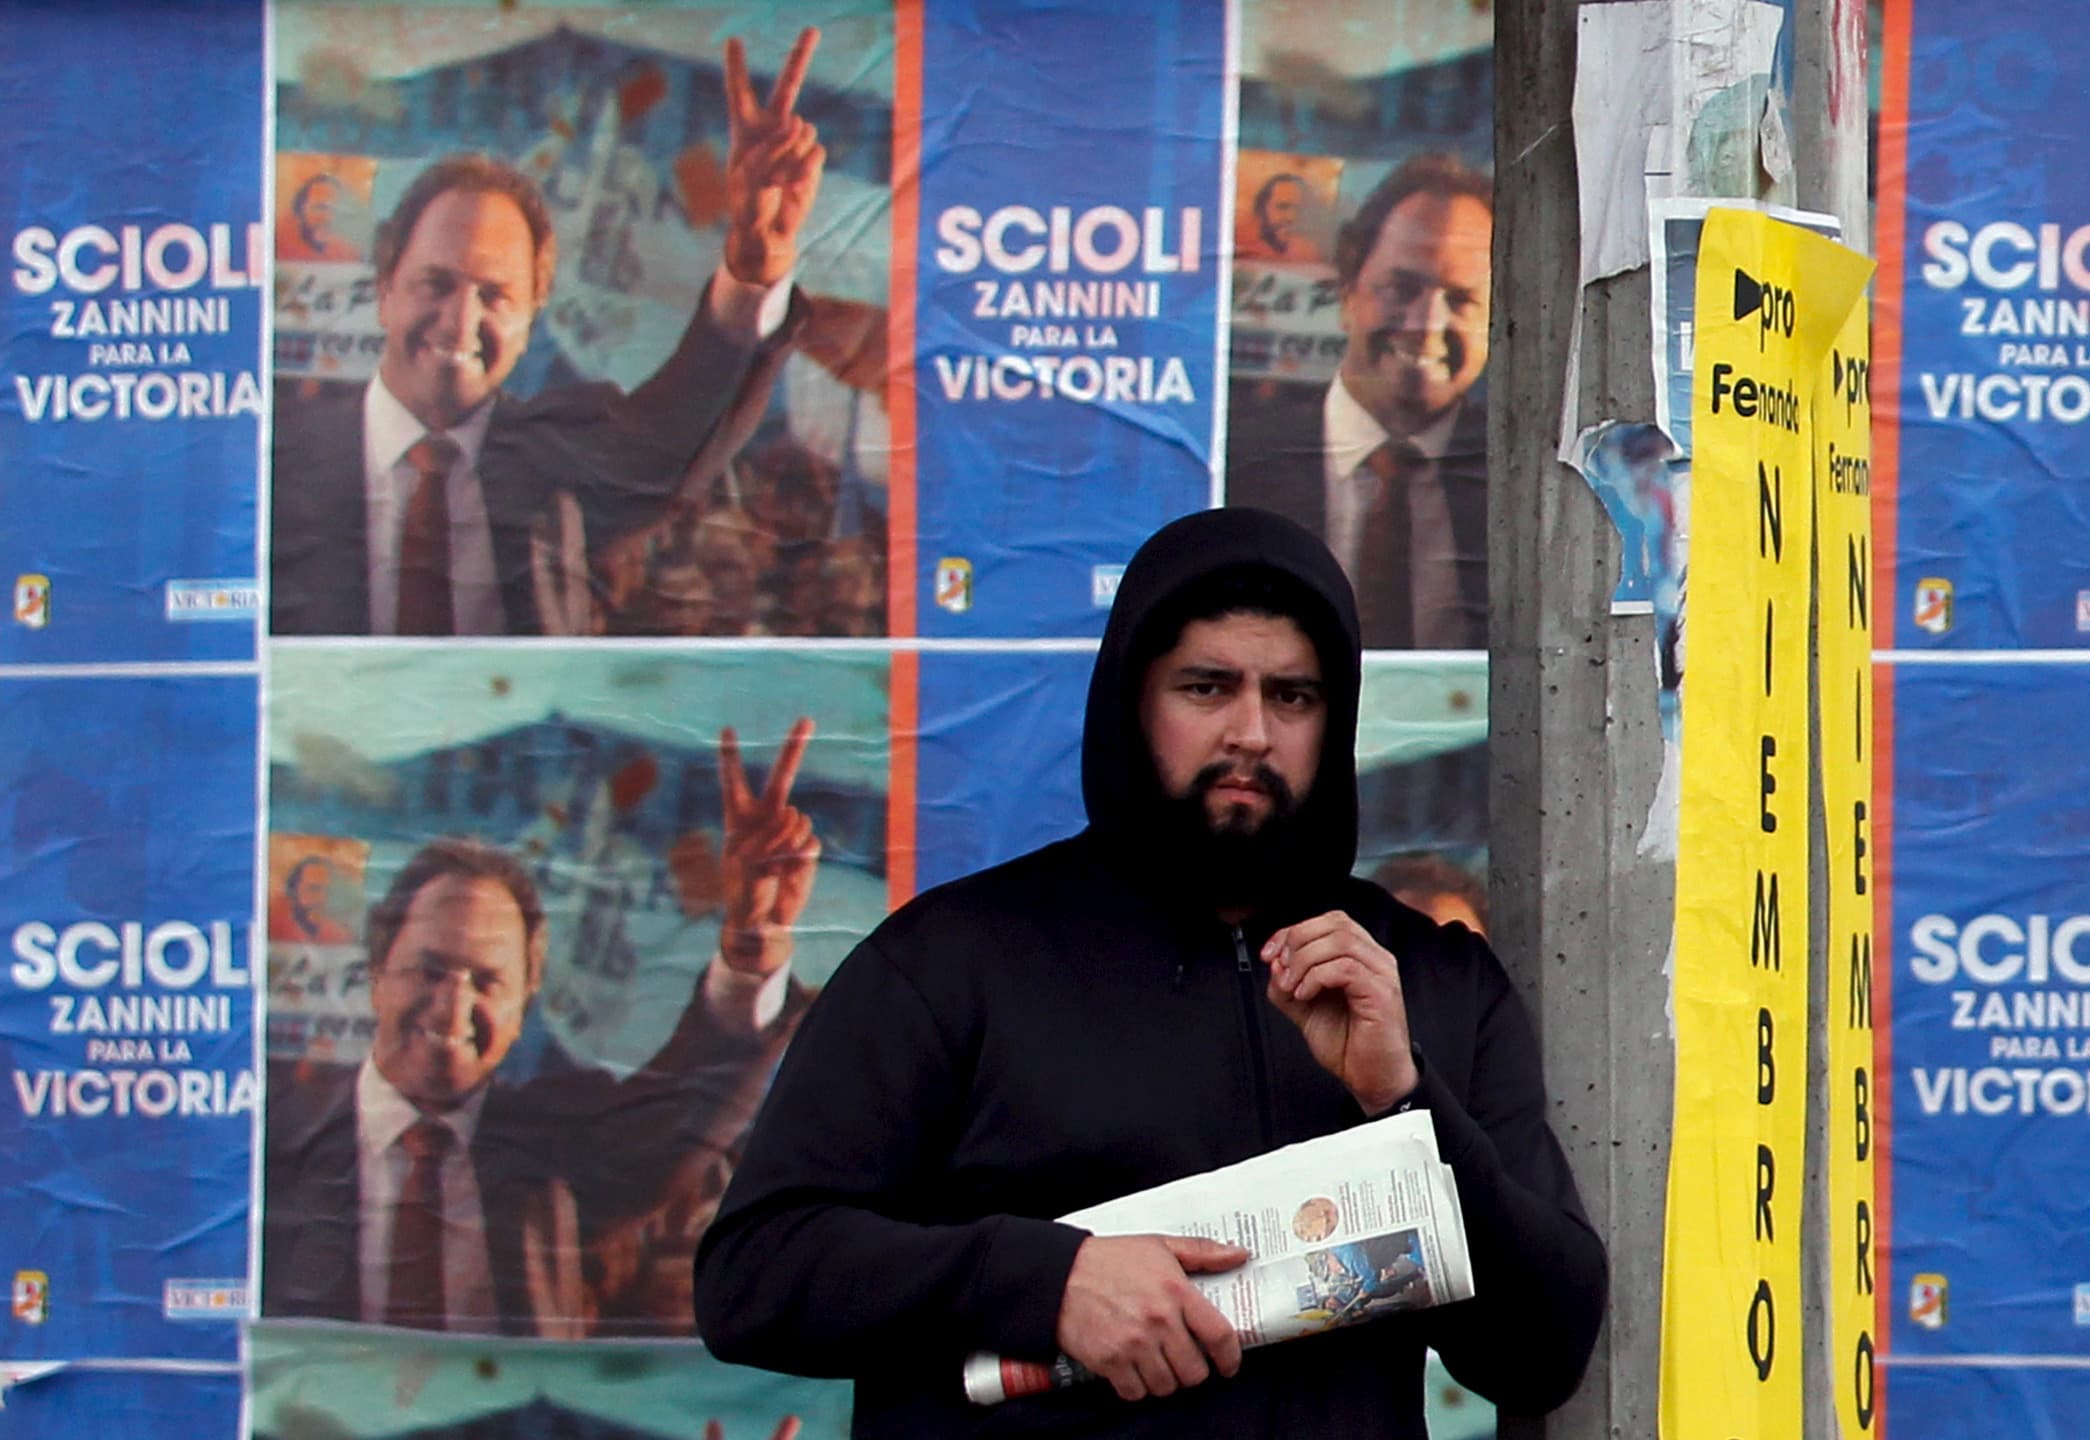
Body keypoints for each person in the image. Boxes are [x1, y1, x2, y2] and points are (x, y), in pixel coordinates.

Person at [694, 507, 1605, 1435]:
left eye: (1293, 696)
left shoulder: (1429, 979)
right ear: (1134, 701)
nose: (1251, 731)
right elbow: (756, 1274)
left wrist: (1407, 1102)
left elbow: (1542, 1351)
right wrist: (1047, 1282)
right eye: (1207, 688)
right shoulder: (952, 958)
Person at [262, 721, 822, 1338]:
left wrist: (750, 942)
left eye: (486, 980)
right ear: (375, 974)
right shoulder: (274, 1135)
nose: (452, 1006)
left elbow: (685, 1109)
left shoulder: (562, 1144)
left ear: (525, 1002)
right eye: (429, 970)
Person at [269, 31, 828, 636]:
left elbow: (688, 420)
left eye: (494, 295)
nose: (460, 321)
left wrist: (753, 266)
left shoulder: (565, 458)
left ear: (532, 317)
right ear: (384, 289)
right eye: (436, 284)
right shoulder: (271, 458)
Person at [1228, 153, 1493, 649]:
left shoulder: (1522, 486)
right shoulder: (1231, 466)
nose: (1427, 325)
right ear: (1347, 291)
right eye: (1402, 287)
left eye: (1461, 300)